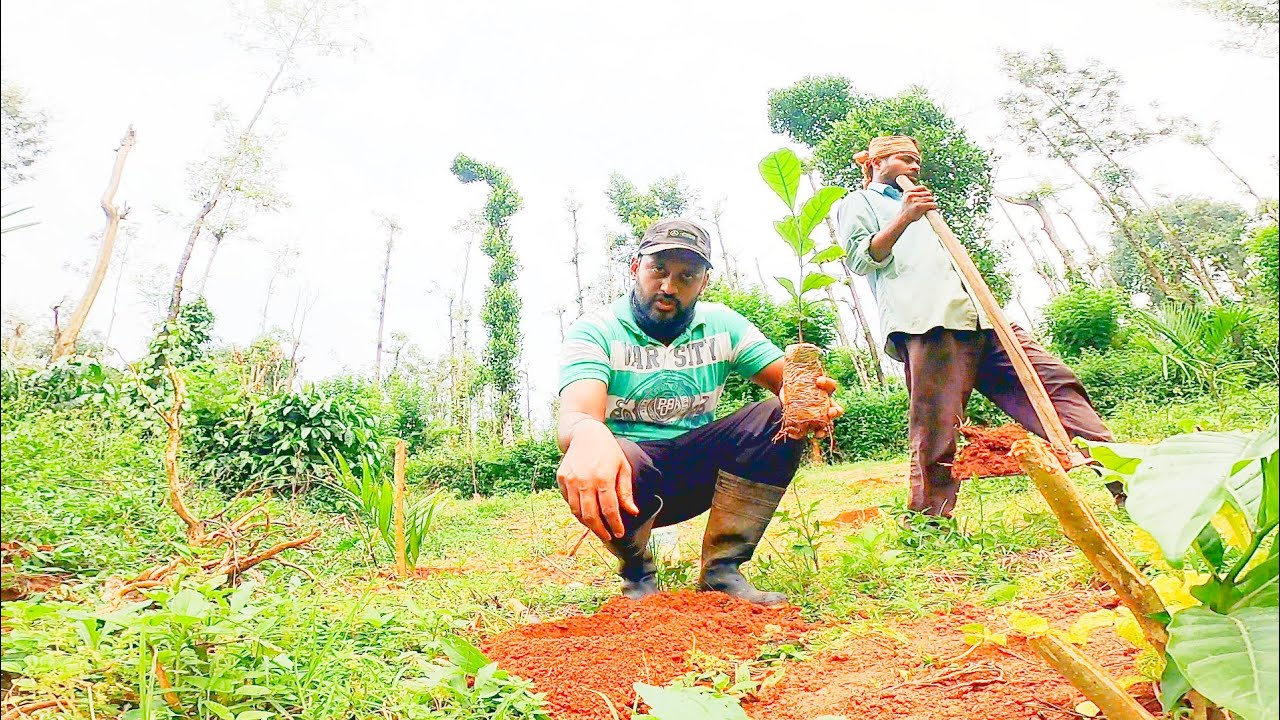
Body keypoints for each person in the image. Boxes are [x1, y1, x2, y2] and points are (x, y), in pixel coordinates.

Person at [556, 217, 842, 605]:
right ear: (635, 267)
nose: (669, 287)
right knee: (605, 446)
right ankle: (638, 576)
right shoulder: (597, 330)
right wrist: (588, 434)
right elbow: (576, 417)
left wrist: (809, 397)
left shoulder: (723, 325)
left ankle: (723, 572)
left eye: (686, 276)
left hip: (702, 476)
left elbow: (787, 383)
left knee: (777, 414)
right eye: (658, 269)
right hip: (630, 483)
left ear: (703, 283)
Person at [833, 135, 1120, 517]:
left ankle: (1126, 480)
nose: (914, 167)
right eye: (904, 159)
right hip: (929, 321)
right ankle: (929, 519)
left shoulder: (925, 204)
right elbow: (861, 258)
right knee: (937, 423)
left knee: (1054, 384)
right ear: (873, 164)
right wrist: (904, 216)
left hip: (985, 318)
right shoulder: (860, 203)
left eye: (917, 160)